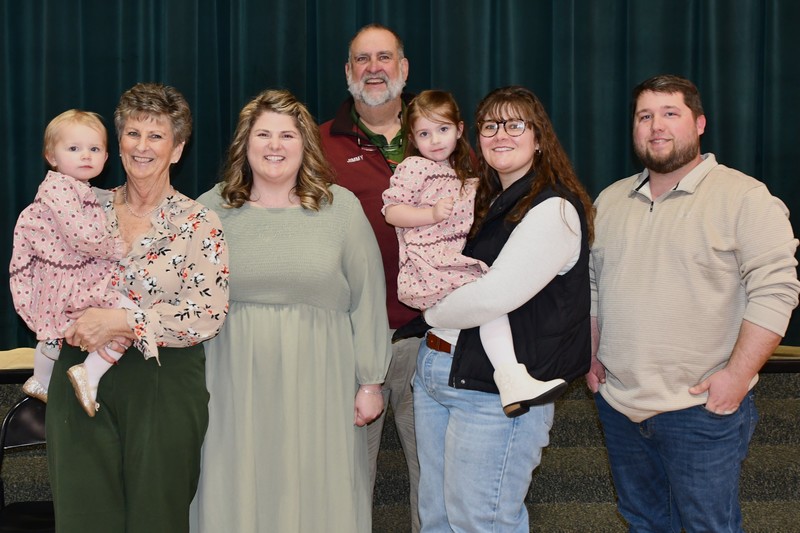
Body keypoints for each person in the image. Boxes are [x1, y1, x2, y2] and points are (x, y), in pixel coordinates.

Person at [587, 74, 800, 532]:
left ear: (700, 123)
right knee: (644, 521)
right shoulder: (610, 200)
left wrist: (738, 377)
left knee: (708, 526)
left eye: (670, 114)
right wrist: (593, 354)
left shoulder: (744, 197)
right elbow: (593, 287)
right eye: (645, 116)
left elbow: (777, 289)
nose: (655, 126)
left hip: (701, 409)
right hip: (620, 405)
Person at [192, 89, 391, 532]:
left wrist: (371, 381)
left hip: (322, 381)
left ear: (306, 145)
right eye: (263, 134)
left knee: (320, 490)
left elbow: (368, 299)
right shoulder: (211, 209)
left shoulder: (341, 209)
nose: (275, 145)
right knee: (235, 488)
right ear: (245, 144)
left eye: (287, 134)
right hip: (230, 383)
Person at [44, 83, 230, 533]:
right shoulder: (82, 207)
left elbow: (208, 311)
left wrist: (125, 319)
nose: (141, 146)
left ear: (178, 149)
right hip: (78, 378)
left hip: (162, 381)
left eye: (156, 136)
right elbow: (43, 271)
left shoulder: (198, 221)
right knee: (84, 515)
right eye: (132, 133)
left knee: (156, 518)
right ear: (118, 140)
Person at [416, 86, 594, 531]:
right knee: (437, 519)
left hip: (494, 396)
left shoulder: (552, 207)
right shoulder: (485, 201)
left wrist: (429, 311)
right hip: (441, 371)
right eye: (491, 125)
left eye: (515, 124)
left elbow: (494, 296)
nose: (501, 134)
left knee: (482, 520)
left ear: (539, 137)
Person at [382, 90, 567, 417]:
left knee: (489, 306)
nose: (435, 140)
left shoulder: (470, 182)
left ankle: (510, 376)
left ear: (458, 130)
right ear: (412, 138)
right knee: (487, 303)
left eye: (442, 130)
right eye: (424, 134)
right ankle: (511, 376)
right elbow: (391, 211)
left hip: (452, 280)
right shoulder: (414, 167)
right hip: (431, 261)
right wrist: (431, 215)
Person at [319, 22, 421, 531]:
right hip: (353, 343)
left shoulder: (439, 136)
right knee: (348, 480)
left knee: (439, 480)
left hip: (435, 342)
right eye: (363, 59)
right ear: (348, 72)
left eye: (385, 58)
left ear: (403, 69)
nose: (374, 68)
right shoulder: (317, 145)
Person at [10, 109, 158, 418]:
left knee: (54, 330)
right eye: (74, 149)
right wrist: (117, 247)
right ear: (52, 156)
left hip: (68, 278)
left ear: (106, 156)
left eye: (94, 149)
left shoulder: (79, 190)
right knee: (129, 317)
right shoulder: (61, 190)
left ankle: (42, 379)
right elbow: (80, 235)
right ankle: (88, 374)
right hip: (73, 280)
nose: (85, 156)